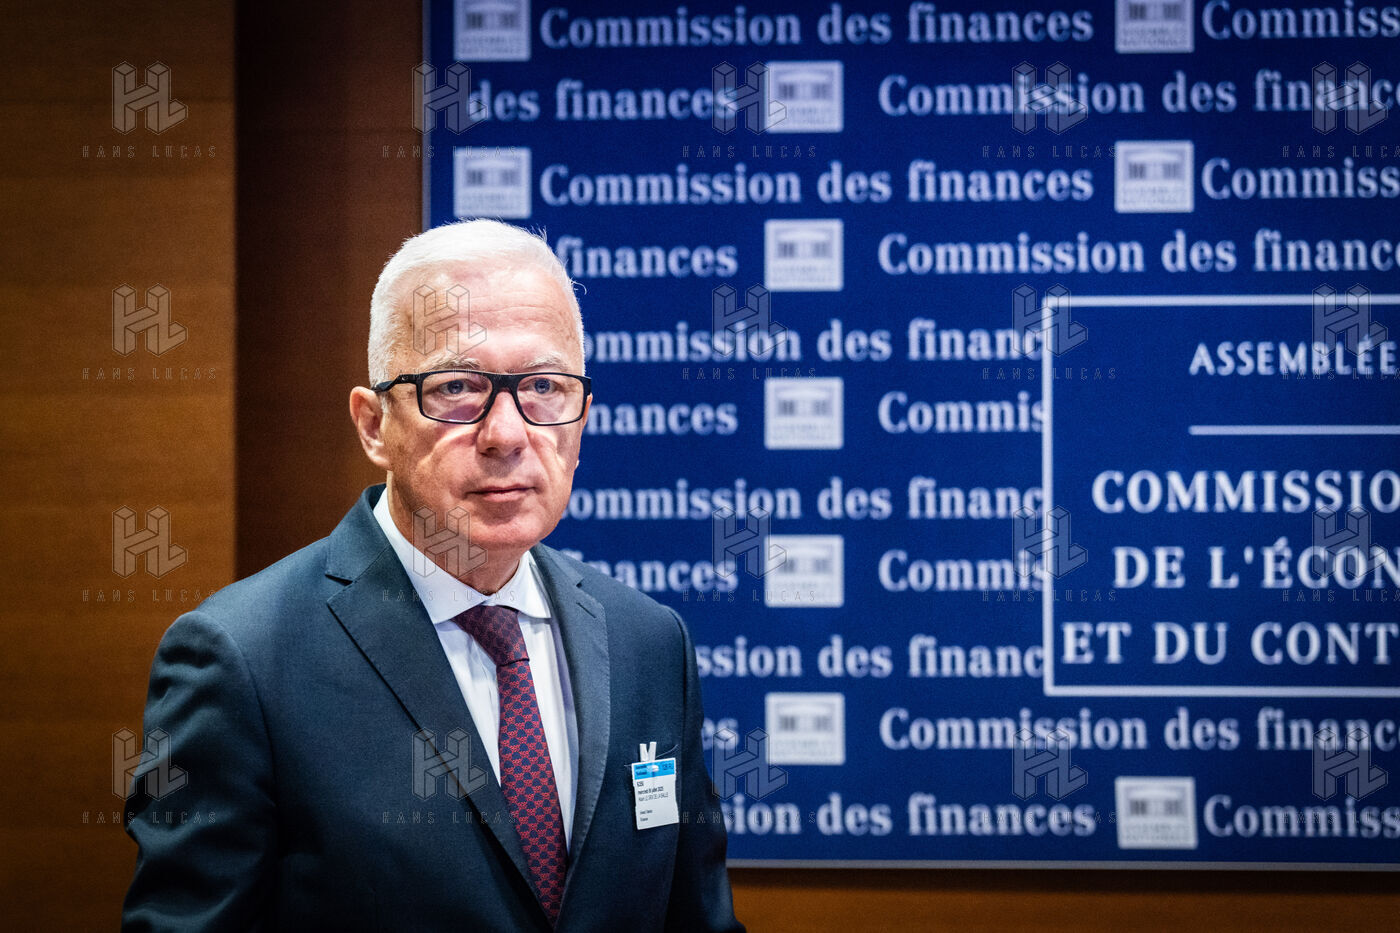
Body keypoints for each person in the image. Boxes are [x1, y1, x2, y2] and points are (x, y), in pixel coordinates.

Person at [123, 220, 744, 932]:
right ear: (373, 425)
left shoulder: (649, 643)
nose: (507, 434)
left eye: (544, 386)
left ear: (582, 421)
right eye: (457, 387)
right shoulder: (244, 660)